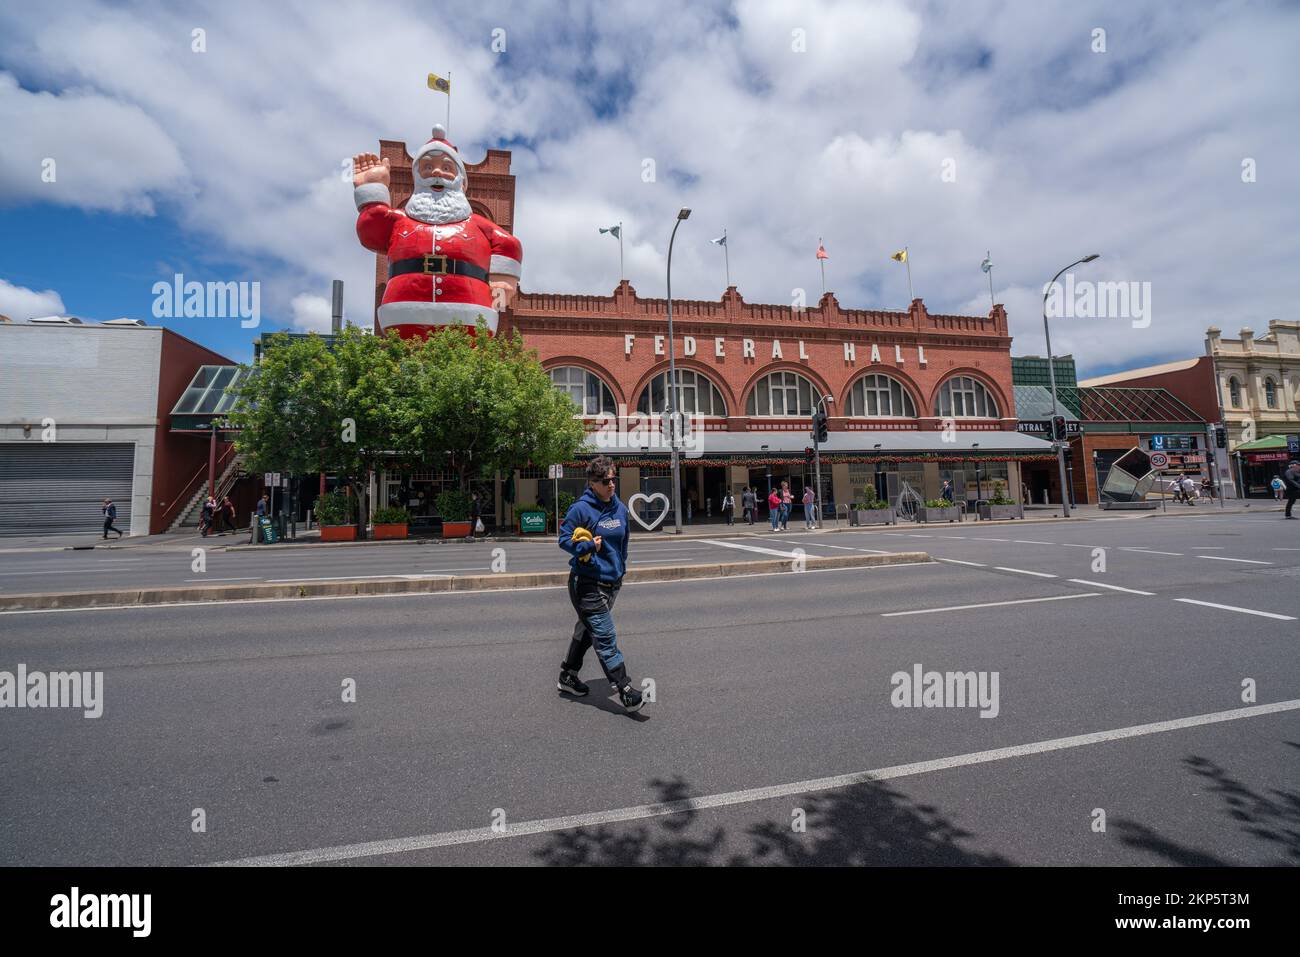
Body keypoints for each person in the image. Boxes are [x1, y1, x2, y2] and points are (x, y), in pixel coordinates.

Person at [557, 455, 644, 712]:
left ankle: (567, 676)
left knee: (586, 631)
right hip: (587, 584)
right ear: (592, 483)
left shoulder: (619, 508)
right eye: (605, 481)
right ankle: (624, 689)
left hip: (612, 582)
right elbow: (563, 540)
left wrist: (621, 568)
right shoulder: (581, 509)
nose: (611, 484)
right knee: (604, 635)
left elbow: (623, 542)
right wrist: (587, 546)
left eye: (613, 479)